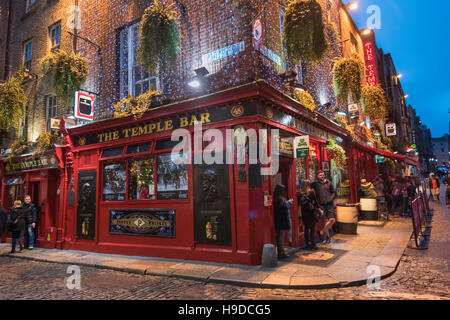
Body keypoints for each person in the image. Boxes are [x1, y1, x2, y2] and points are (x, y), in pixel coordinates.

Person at [311, 171, 336, 243]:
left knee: (332, 220)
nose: (322, 176)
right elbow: (307, 188)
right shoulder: (315, 184)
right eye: (320, 175)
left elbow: (334, 193)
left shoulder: (329, 183)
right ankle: (328, 237)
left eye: (323, 175)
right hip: (321, 205)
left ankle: (321, 232)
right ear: (317, 176)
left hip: (329, 204)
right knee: (326, 221)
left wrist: (330, 199)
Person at [298, 180, 321, 250]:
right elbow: (316, 202)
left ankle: (307, 244)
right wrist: (319, 209)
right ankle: (313, 244)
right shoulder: (311, 192)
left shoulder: (300, 193)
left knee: (306, 229)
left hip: (304, 213)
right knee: (312, 229)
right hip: (311, 212)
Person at [273, 184, 293, 260]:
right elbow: (284, 207)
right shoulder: (280, 198)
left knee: (280, 236)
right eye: (283, 190)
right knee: (280, 237)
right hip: (281, 220)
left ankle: (281, 252)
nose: (284, 191)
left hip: (278, 219)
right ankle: (281, 253)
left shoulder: (276, 197)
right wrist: (289, 203)